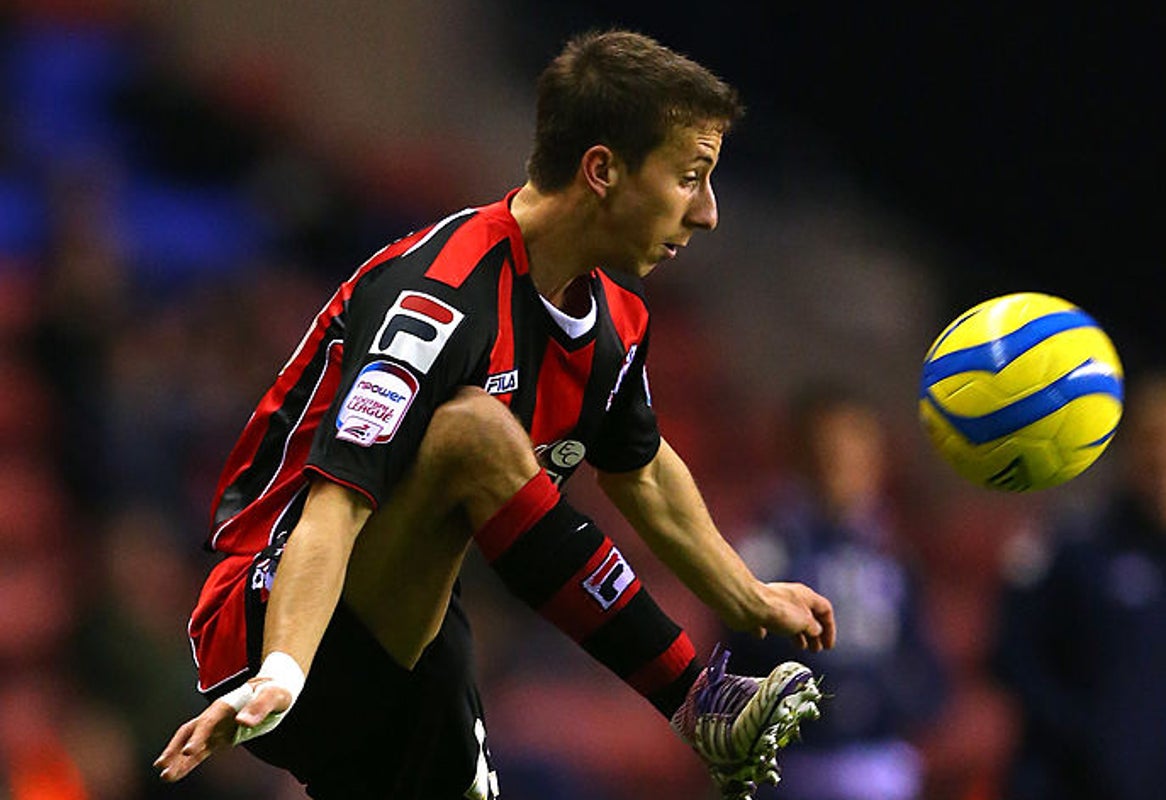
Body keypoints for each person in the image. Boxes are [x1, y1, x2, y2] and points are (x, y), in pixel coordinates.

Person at [153, 29, 836, 800]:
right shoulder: (439, 296)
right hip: (275, 612)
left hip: (419, 636)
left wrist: (745, 594)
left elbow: (641, 470)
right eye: (690, 177)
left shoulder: (616, 325)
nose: (707, 213)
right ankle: (697, 697)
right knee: (472, 431)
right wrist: (282, 673)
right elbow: (334, 508)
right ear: (603, 170)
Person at [725, 384, 947, 800]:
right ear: (800, 459)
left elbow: (926, 663)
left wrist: (894, 697)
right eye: (829, 453)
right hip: (793, 766)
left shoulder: (893, 555)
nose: (843, 465)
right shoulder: (765, 554)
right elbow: (733, 664)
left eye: (855, 452)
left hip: (881, 759)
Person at [991, 368, 1166, 800]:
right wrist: (1088, 735)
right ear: (1129, 455)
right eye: (1153, 446)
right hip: (1073, 784)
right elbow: (1012, 655)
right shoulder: (1076, 547)